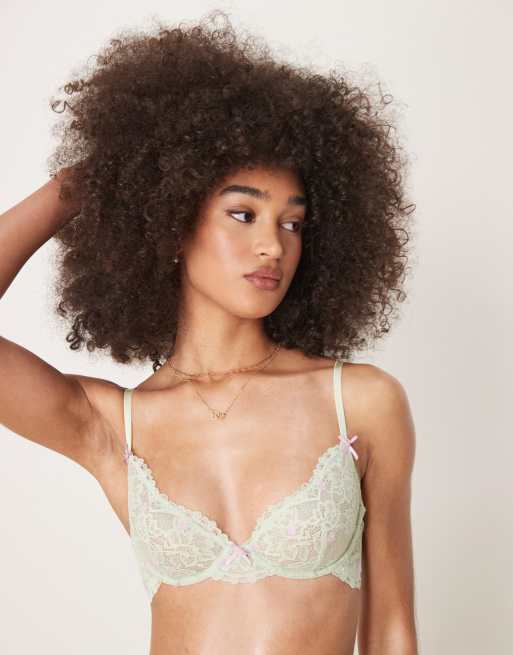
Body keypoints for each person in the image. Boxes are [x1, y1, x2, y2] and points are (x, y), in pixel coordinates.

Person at [0, 9, 418, 655]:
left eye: (291, 223)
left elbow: (392, 630)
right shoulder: (114, 425)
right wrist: (81, 186)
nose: (272, 246)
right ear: (171, 221)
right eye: (243, 214)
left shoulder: (358, 400)